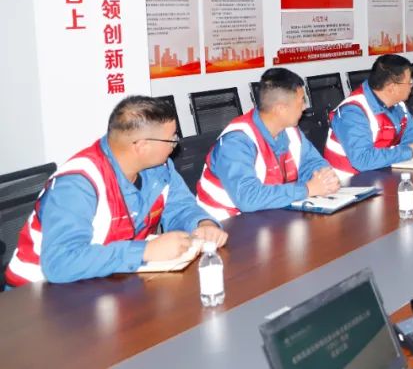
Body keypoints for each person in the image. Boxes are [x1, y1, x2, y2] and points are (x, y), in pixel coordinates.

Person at [5, 97, 228, 287]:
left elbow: (181, 207)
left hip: (106, 282)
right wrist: (145, 251)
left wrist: (203, 224)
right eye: (171, 139)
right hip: (38, 297)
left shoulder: (159, 169)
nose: (175, 145)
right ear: (142, 146)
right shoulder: (77, 184)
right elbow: (60, 263)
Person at [196, 68, 341, 221]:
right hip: (223, 225)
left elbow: (311, 162)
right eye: (301, 102)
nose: (305, 107)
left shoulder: (290, 129)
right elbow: (248, 198)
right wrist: (307, 189)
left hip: (267, 217)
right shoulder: (236, 142)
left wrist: (324, 178)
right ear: (281, 109)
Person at [324, 54, 413, 178]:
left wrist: (411, 150)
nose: (412, 86)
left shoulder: (397, 104)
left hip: (382, 175)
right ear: (392, 88)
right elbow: (362, 160)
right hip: (349, 183)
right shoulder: (352, 112)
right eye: (409, 82)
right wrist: (408, 152)